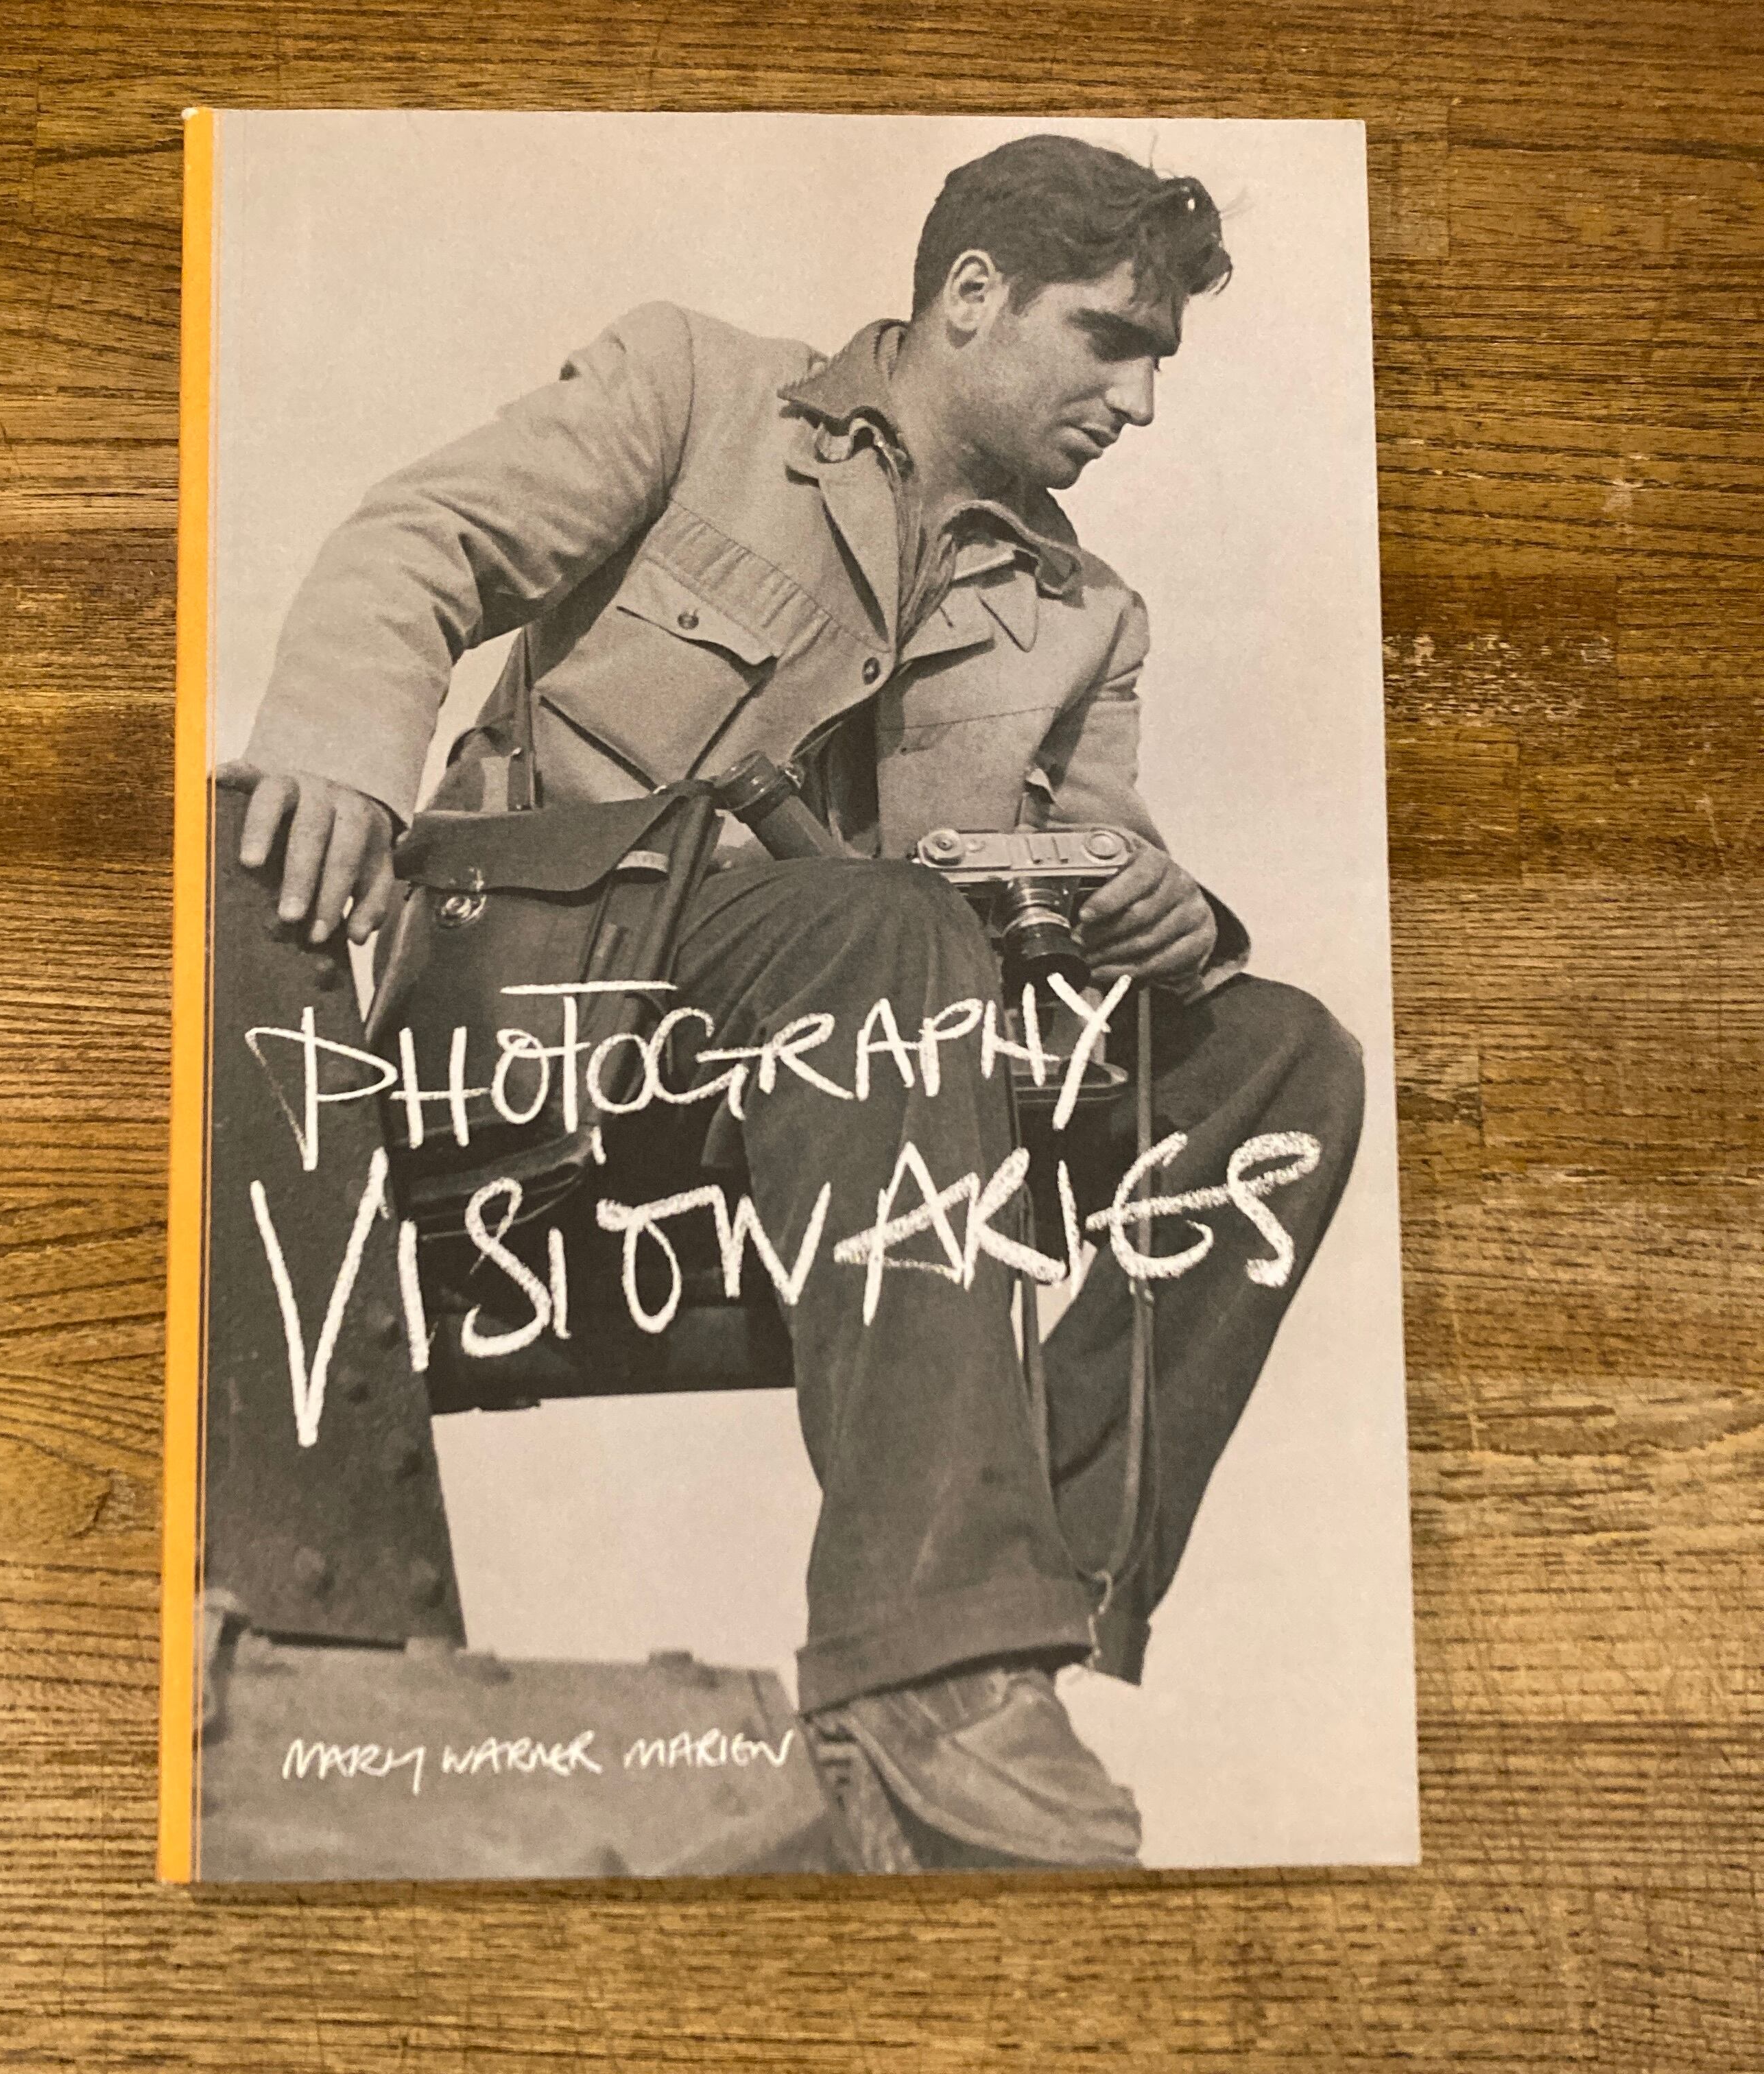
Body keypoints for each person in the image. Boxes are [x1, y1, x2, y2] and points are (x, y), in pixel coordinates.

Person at [225, 134, 1366, 1868]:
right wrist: (336, 756)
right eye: (1111, 339)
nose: (1140, 402)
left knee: (1281, 1061)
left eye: (1161, 363)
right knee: (883, 927)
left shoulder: (1087, 616)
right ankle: (939, 1666)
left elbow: (1085, 872)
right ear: (972, 295)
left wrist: (1162, 910)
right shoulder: (698, 391)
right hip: (554, 1021)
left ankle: (1004, 1630)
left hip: (848, 1080)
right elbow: (423, 538)